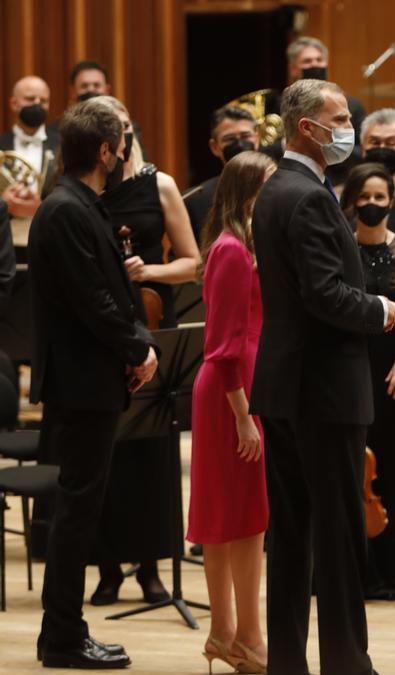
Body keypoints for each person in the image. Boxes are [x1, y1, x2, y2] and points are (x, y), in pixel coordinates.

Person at [251, 78, 395, 675]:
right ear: (307, 129)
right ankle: (347, 663)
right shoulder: (308, 195)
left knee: (290, 534)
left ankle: (287, 660)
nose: (349, 127)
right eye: (339, 118)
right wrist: (380, 310)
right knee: (338, 537)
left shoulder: (273, 189)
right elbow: (325, 294)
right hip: (324, 390)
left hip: (287, 385)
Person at [31, 97, 157, 670]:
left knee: (81, 507)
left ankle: (65, 632)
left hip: (92, 379)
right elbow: (94, 301)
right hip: (83, 383)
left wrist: (133, 342)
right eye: (121, 141)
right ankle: (61, 637)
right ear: (106, 150)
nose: (124, 150)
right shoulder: (66, 209)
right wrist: (139, 347)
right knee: (77, 511)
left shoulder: (79, 203)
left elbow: (107, 290)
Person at [87, 95, 200, 607]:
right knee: (107, 447)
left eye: (127, 125)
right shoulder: (86, 191)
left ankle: (152, 569)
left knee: (152, 448)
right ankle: (108, 569)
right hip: (103, 327)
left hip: (154, 318)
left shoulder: (162, 185)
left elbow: (192, 263)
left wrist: (148, 271)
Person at [188, 151, 275, 675]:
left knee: (230, 517)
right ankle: (247, 637)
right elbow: (221, 345)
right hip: (232, 395)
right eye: (268, 186)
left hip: (237, 390)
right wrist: (243, 414)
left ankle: (226, 634)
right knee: (244, 521)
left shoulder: (243, 246)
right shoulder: (231, 251)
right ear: (246, 193)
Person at [340, 162, 395, 601]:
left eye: (379, 197)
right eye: (364, 198)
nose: (372, 205)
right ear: (352, 200)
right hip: (355, 373)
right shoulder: (341, 251)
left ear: (392, 200)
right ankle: (365, 574)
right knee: (359, 472)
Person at [286, 37, 366, 184]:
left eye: (319, 60)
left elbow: (362, 150)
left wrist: (336, 148)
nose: (315, 65)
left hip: (341, 178)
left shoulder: (352, 105)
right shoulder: (284, 104)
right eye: (307, 61)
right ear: (293, 69)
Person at [184, 106, 261, 242]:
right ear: (214, 147)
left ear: (257, 138)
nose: (239, 144)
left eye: (245, 136)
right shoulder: (195, 200)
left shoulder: (280, 187)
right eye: (230, 139)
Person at [2, 76, 57, 218]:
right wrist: (2, 203)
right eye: (30, 98)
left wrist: (40, 208)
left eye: (43, 100)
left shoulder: (63, 146)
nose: (37, 103)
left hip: (49, 233)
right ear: (13, 103)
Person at [358, 108, 395, 234]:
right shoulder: (350, 191)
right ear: (363, 148)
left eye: (391, 143)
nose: (382, 149)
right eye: (374, 142)